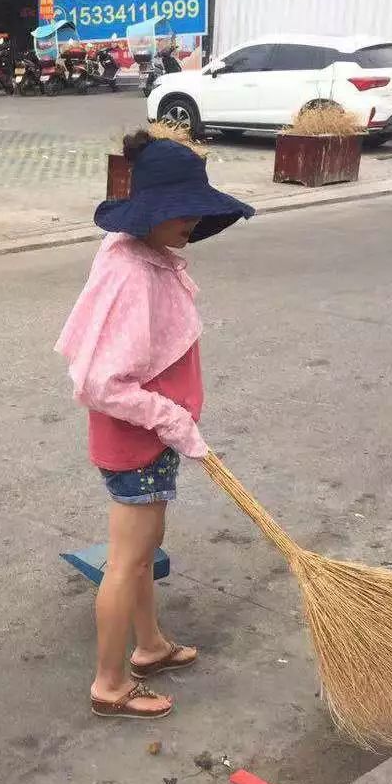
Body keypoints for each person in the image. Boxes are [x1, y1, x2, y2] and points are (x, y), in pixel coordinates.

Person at [55, 132, 254, 720]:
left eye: (195, 209)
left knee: (142, 555)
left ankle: (149, 646)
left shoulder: (133, 250)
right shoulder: (133, 276)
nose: (191, 221)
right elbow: (100, 383)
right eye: (180, 210)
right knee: (127, 562)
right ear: (150, 212)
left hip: (146, 441)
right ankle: (110, 684)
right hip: (139, 443)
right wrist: (173, 420)